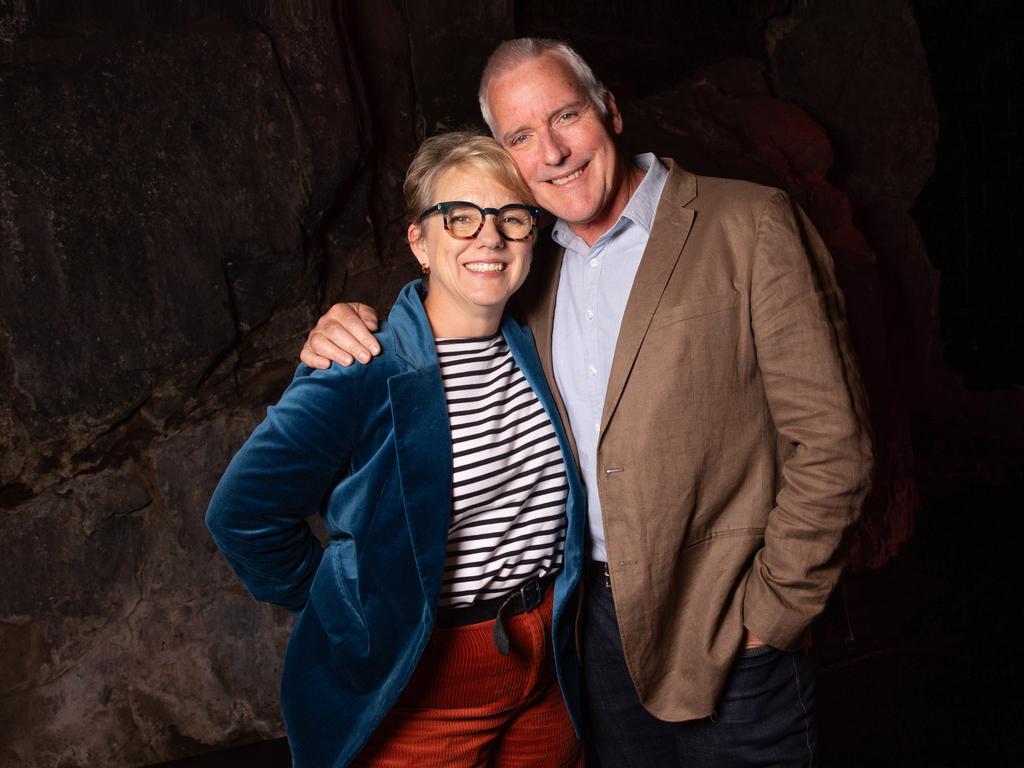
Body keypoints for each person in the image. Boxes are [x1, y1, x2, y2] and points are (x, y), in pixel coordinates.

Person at [301, 38, 874, 767]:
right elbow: (444, 303)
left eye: (566, 115)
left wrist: (771, 613)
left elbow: (834, 444)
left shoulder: (749, 224)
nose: (555, 151)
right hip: (586, 632)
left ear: (609, 109)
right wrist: (350, 324)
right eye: (522, 137)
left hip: (725, 623)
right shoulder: (526, 267)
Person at [206, 131, 586, 768]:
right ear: (420, 241)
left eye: (511, 217)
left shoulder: (541, 344)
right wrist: (348, 607)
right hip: (427, 684)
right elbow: (242, 515)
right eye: (459, 217)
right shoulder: (359, 367)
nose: (488, 238)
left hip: (548, 663)